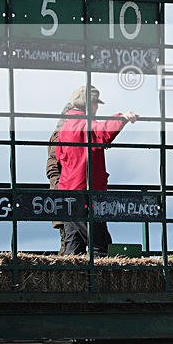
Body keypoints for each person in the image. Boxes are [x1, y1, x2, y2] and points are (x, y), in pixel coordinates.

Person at [56, 85, 138, 256]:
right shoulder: (82, 125)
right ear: (87, 104)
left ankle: (74, 279)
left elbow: (59, 156)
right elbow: (100, 132)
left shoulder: (65, 126)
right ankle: (99, 281)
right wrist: (120, 118)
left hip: (68, 191)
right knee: (100, 244)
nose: (97, 107)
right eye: (95, 103)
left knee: (74, 243)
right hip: (84, 192)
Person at [46, 104, 71, 255]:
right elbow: (53, 168)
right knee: (68, 241)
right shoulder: (61, 135)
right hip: (65, 195)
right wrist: (61, 189)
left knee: (70, 242)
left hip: (66, 193)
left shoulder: (62, 132)